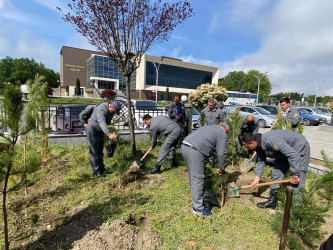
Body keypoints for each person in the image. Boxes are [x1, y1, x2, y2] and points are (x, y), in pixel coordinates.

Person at [240, 130, 310, 209]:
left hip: (299, 149)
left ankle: (297, 208)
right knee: (276, 174)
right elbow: (261, 162)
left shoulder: (272, 140)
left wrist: (295, 174)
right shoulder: (259, 146)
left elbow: (293, 155)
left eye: (247, 146)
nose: (247, 149)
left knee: (298, 177)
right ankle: (273, 201)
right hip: (282, 153)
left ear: (253, 143)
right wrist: (257, 178)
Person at [181, 122, 229, 216]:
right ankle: (198, 208)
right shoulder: (222, 133)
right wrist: (222, 167)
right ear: (225, 130)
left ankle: (196, 195)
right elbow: (221, 153)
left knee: (192, 175)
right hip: (195, 150)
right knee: (198, 177)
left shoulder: (211, 127)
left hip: (185, 146)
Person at [85, 101, 122, 177]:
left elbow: (108, 124)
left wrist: (111, 133)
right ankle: (96, 171)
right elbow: (102, 123)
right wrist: (109, 134)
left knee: (100, 150)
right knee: (93, 150)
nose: (114, 113)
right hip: (92, 130)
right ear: (111, 106)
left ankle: (102, 168)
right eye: (114, 111)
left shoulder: (110, 111)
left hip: (100, 131)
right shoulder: (101, 110)